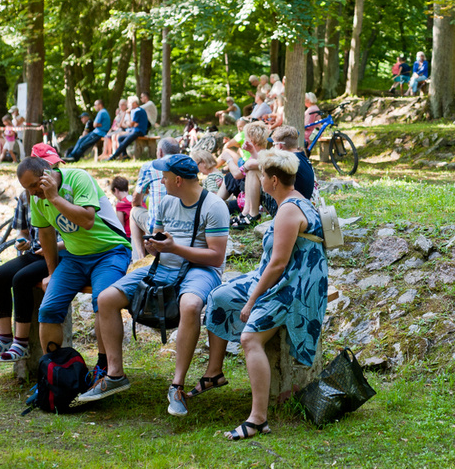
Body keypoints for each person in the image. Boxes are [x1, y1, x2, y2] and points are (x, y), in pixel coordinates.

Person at [78, 154, 230, 416]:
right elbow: (159, 241)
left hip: (200, 270)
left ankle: (177, 385)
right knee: (105, 298)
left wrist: (174, 248)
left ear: (178, 180)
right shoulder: (167, 202)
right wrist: (154, 247)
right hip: (162, 267)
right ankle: (115, 374)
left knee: (191, 304)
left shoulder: (214, 206)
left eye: (165, 176)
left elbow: (216, 257)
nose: (161, 180)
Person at [198, 149, 328, 439]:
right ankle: (214, 372)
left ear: (272, 180)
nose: (256, 181)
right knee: (219, 296)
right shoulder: (295, 203)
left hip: (295, 289)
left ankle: (258, 419)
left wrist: (253, 300)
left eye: (260, 176)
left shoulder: (289, 211)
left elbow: (278, 265)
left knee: (249, 338)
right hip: (286, 279)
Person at [15, 156, 131, 363]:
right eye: (28, 189)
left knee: (102, 303)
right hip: (75, 257)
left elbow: (87, 220)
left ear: (47, 174)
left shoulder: (78, 178)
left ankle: (105, 368)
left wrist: (54, 198)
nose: (32, 193)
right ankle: (53, 375)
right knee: (48, 309)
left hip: (110, 251)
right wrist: (51, 274)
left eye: (34, 185)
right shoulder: (36, 198)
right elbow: (47, 235)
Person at [0, 144, 64, 362]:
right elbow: (22, 231)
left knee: (21, 279)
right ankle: (4, 337)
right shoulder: (27, 196)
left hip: (58, 254)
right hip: (35, 252)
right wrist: (21, 242)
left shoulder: (63, 190)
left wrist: (52, 248)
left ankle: (21, 343)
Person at [129, 138, 181, 261]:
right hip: (181, 225)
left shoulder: (150, 166)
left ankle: (139, 259)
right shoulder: (185, 166)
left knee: (133, 212)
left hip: (159, 228)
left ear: (160, 152)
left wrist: (137, 203)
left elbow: (136, 199)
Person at [218, 122, 268, 227]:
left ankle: (248, 214)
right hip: (245, 201)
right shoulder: (260, 155)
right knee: (229, 177)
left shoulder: (261, 158)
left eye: (245, 138)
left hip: (248, 202)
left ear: (251, 140)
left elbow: (237, 174)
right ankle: (243, 213)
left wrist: (228, 159)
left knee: (230, 177)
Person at [107, 95, 149, 161]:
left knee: (124, 143)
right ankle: (125, 155)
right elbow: (133, 124)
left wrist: (128, 114)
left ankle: (113, 157)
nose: (128, 105)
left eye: (129, 103)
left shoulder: (137, 111)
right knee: (120, 138)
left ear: (134, 103)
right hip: (135, 131)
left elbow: (130, 124)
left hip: (138, 131)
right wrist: (132, 124)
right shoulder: (139, 110)